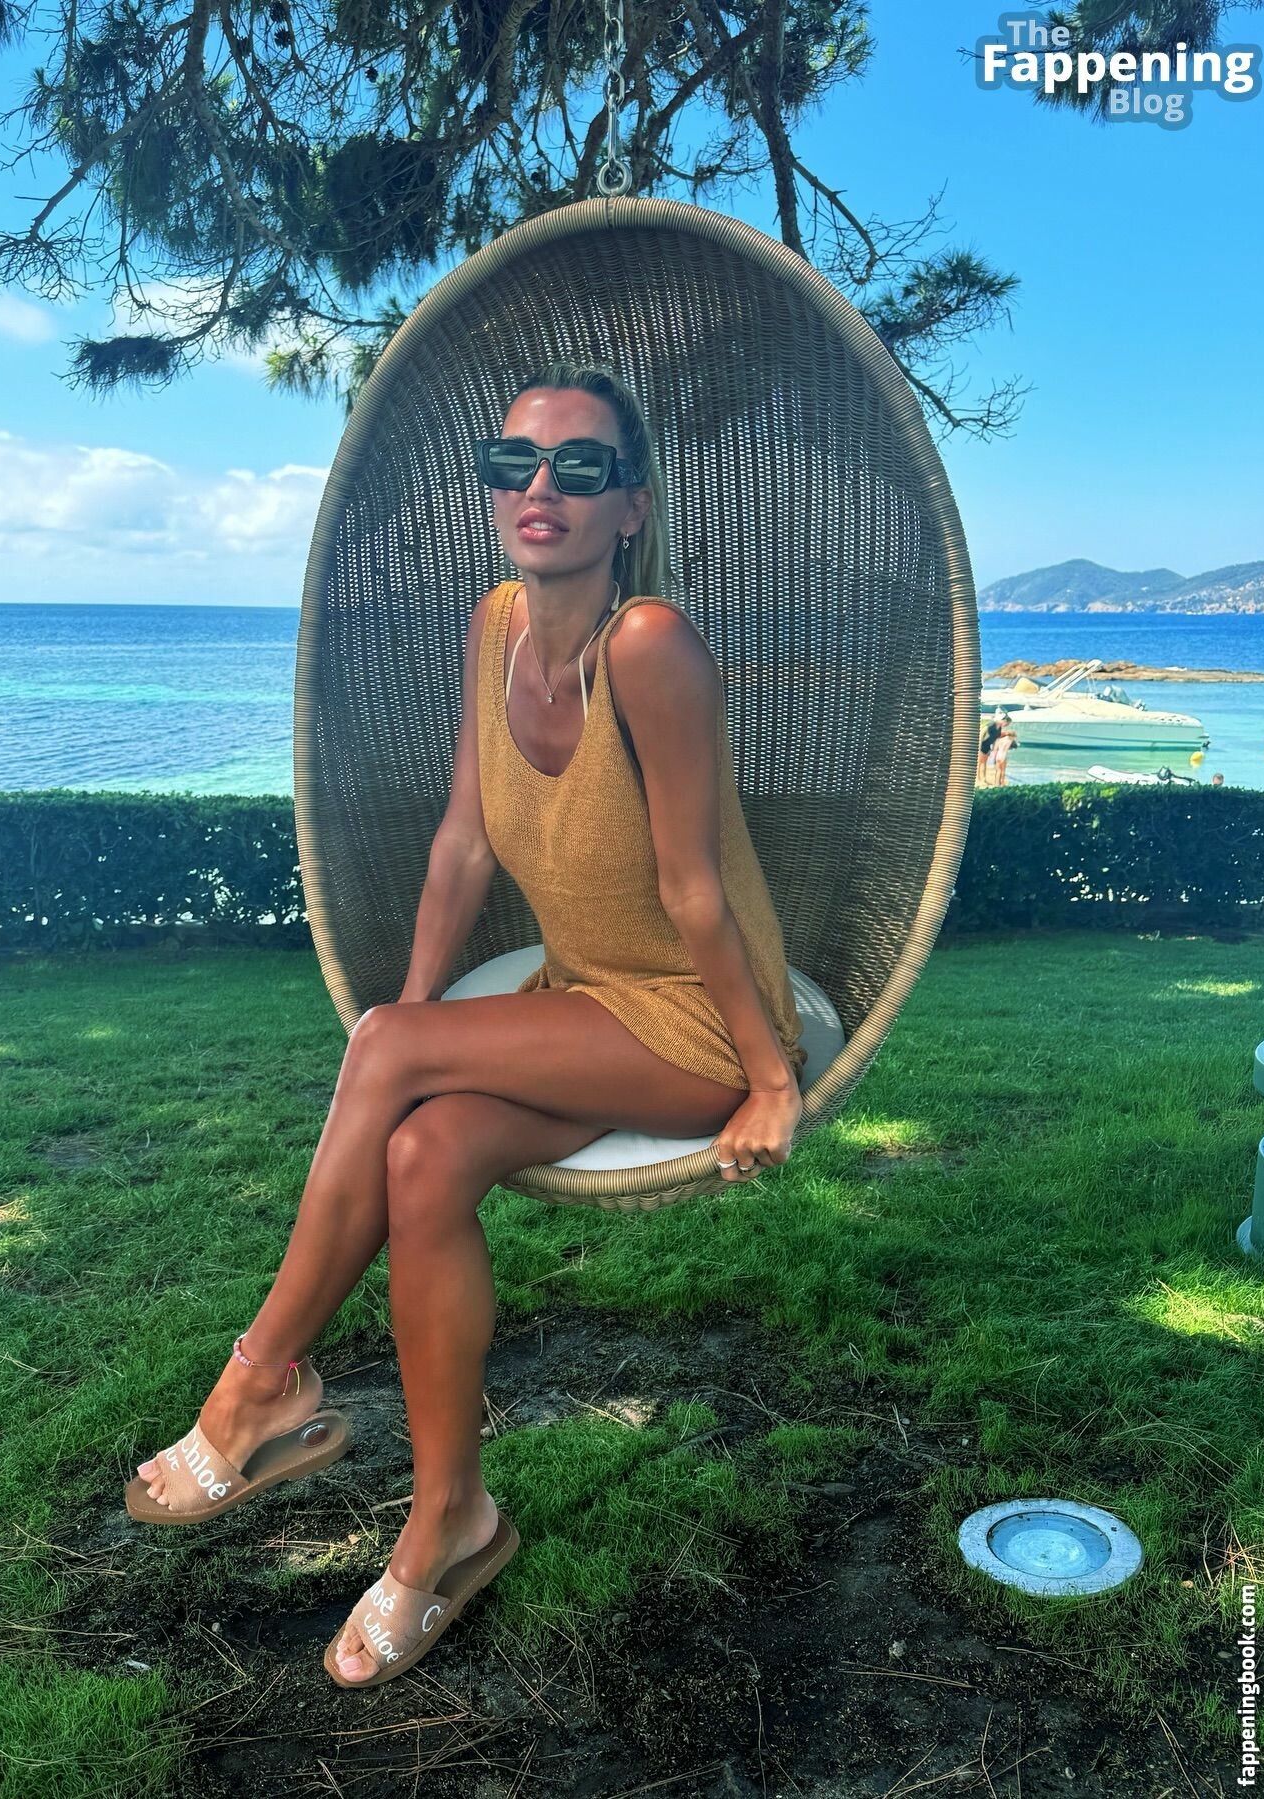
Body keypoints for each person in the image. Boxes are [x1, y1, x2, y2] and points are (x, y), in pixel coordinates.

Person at [123, 360, 809, 1687]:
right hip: (581, 995)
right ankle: (453, 1521)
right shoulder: (494, 624)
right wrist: (418, 1017)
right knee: (423, 1151)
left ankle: (263, 1380)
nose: (541, 486)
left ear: (632, 506)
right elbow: (462, 840)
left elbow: (695, 889)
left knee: (392, 1049)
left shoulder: (649, 645)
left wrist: (771, 1076)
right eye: (515, 462)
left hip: (694, 1023)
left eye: (580, 465)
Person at [986, 712, 1018, 787]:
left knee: (998, 770)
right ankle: (1002, 783)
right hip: (1004, 755)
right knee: (1003, 771)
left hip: (997, 755)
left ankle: (996, 783)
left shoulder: (999, 740)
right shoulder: (1009, 740)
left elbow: (995, 749)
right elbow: (1014, 745)